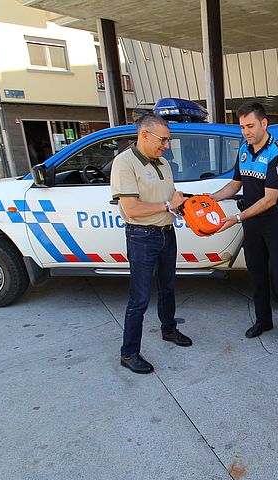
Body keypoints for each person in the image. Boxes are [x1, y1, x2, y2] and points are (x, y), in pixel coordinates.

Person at [211, 102, 278, 346]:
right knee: (257, 272)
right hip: (252, 222)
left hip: (275, 222)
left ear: (264, 123)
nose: (246, 132)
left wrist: (237, 218)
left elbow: (269, 199)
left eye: (250, 126)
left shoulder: (277, 154)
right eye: (242, 127)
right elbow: (234, 184)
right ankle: (263, 321)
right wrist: (210, 198)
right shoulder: (244, 149)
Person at [111, 114, 192, 374]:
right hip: (142, 237)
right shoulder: (124, 163)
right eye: (163, 140)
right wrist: (168, 205)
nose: (167, 146)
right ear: (144, 135)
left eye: (168, 140)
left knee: (168, 287)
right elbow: (131, 209)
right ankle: (129, 353)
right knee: (140, 298)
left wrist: (184, 207)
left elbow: (170, 199)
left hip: (167, 233)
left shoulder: (163, 163)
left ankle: (169, 329)